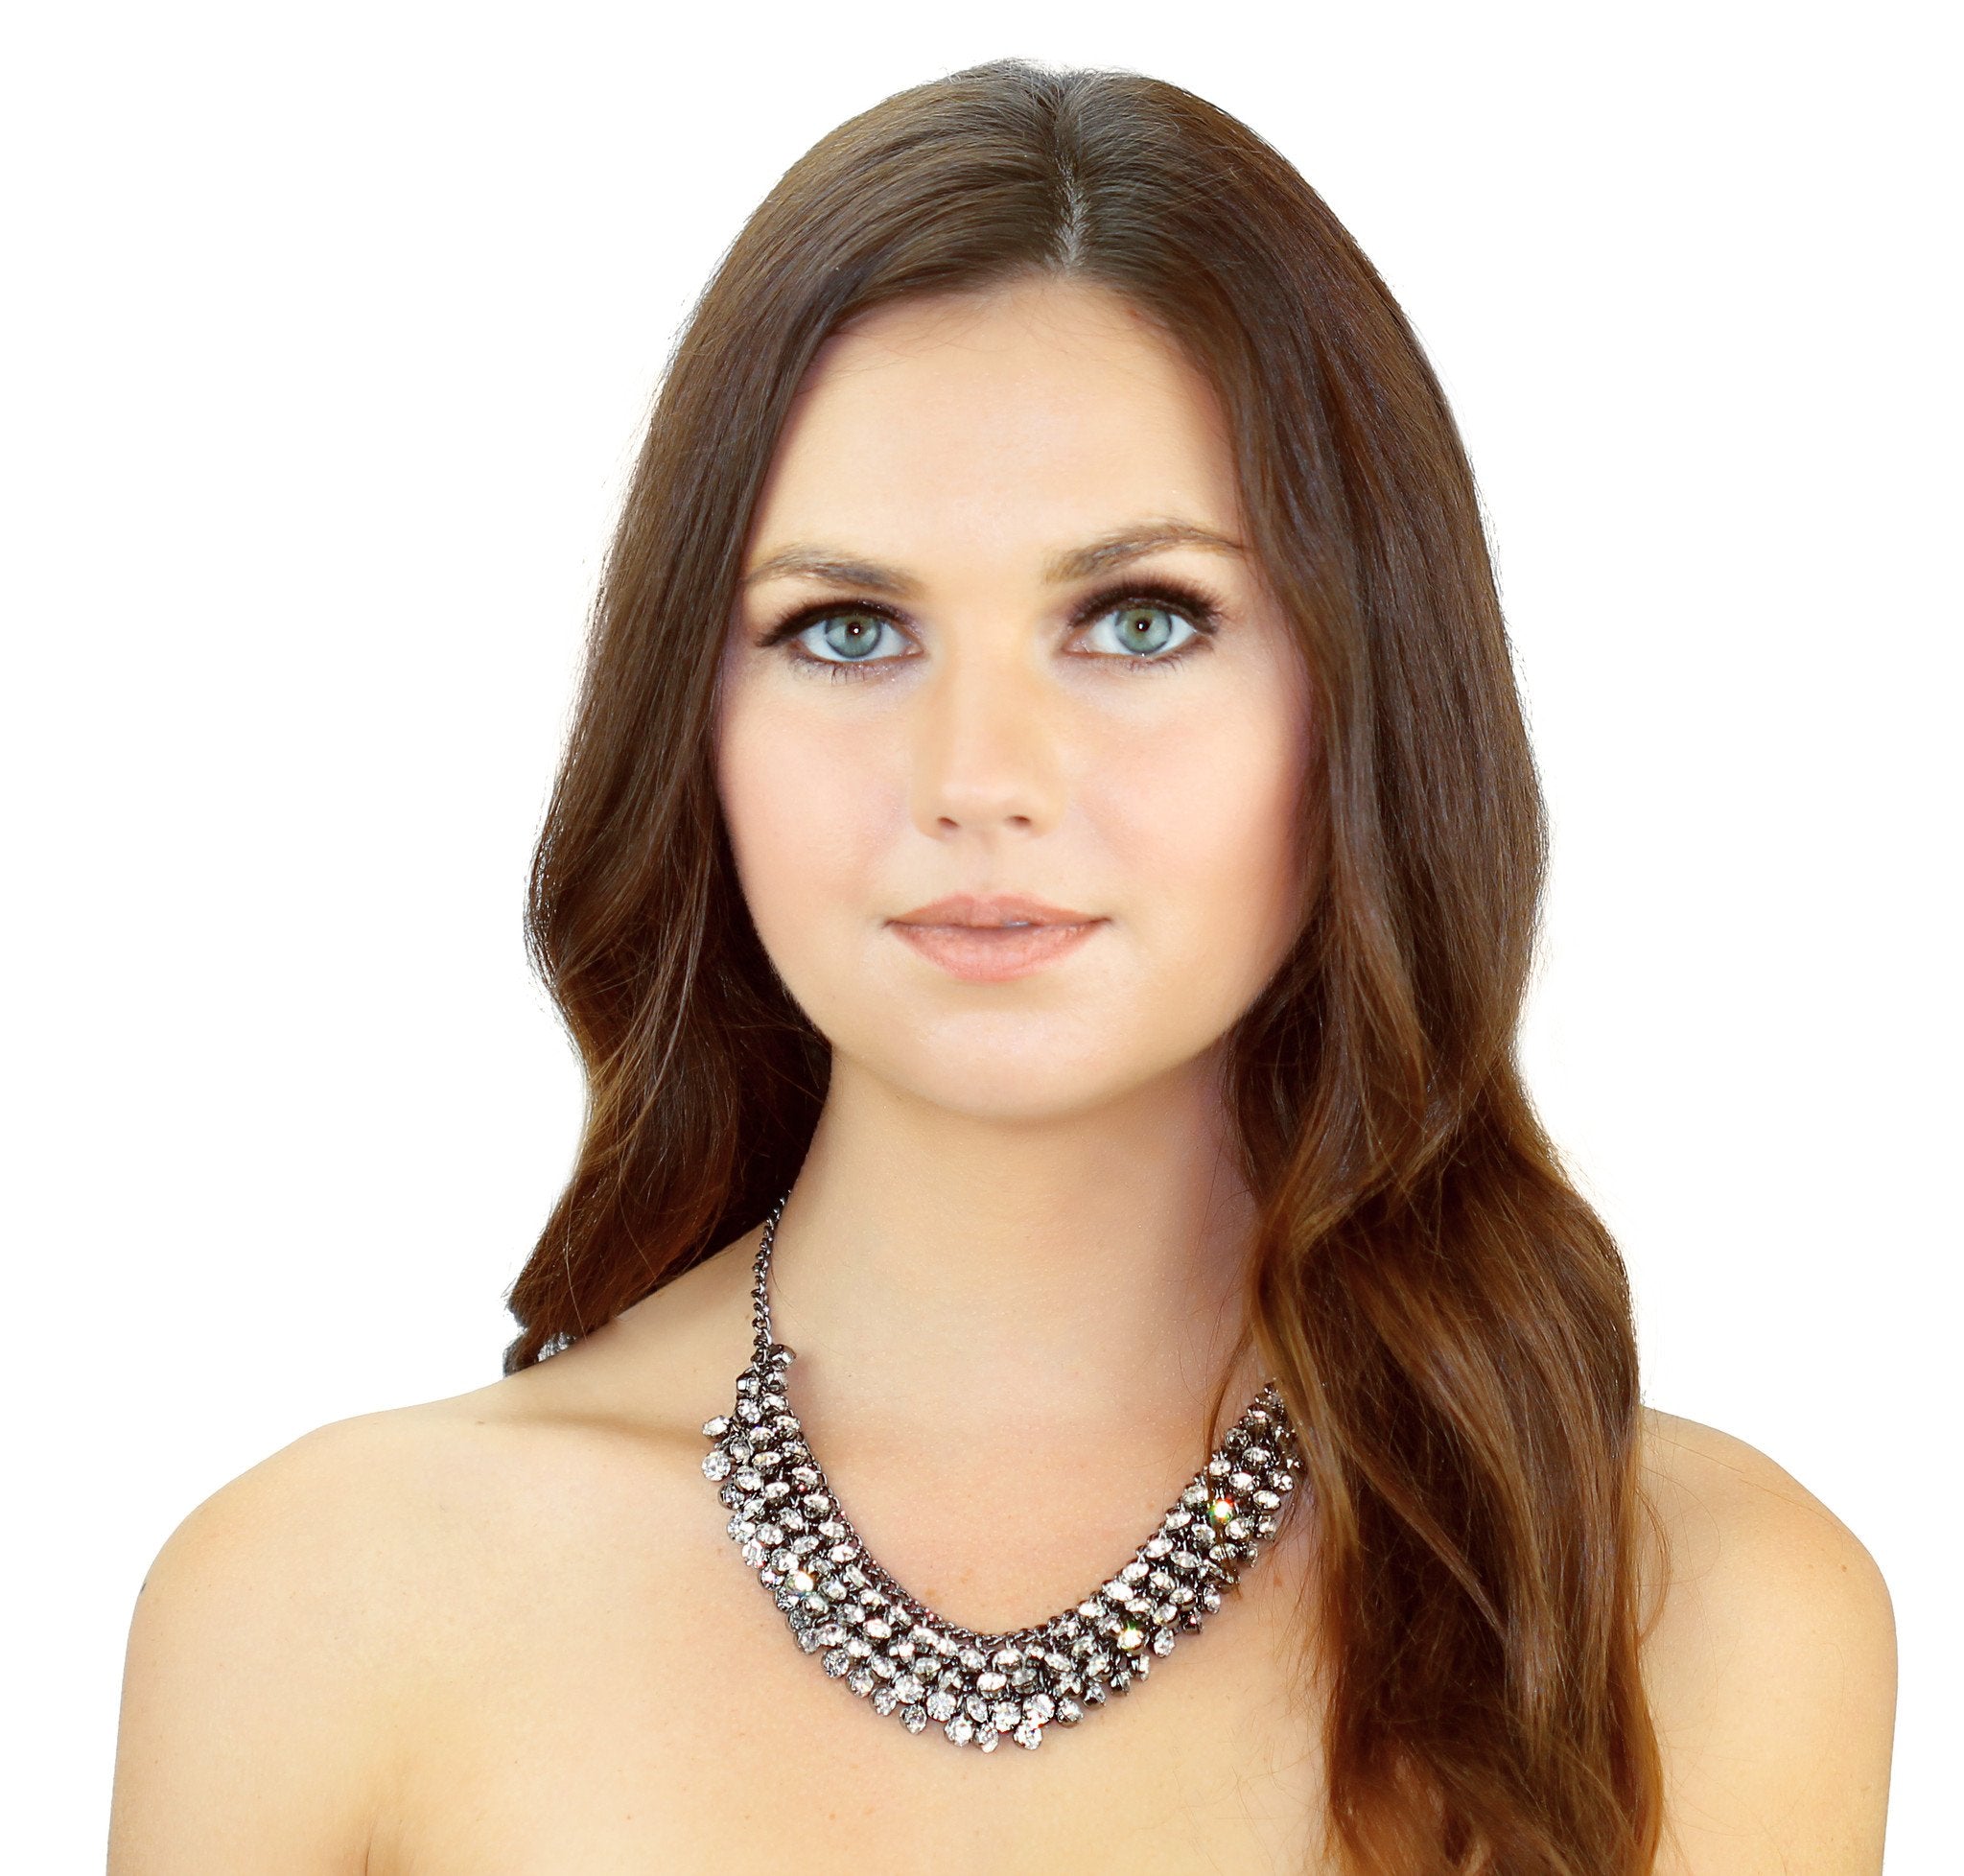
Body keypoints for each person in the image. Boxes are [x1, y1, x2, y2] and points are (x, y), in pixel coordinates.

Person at [106, 58, 1896, 1876]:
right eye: (847, 629)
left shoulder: (1698, 1612)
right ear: (692, 718)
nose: (978, 779)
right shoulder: (321, 1607)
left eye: (1141, 620)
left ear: (1368, 694)